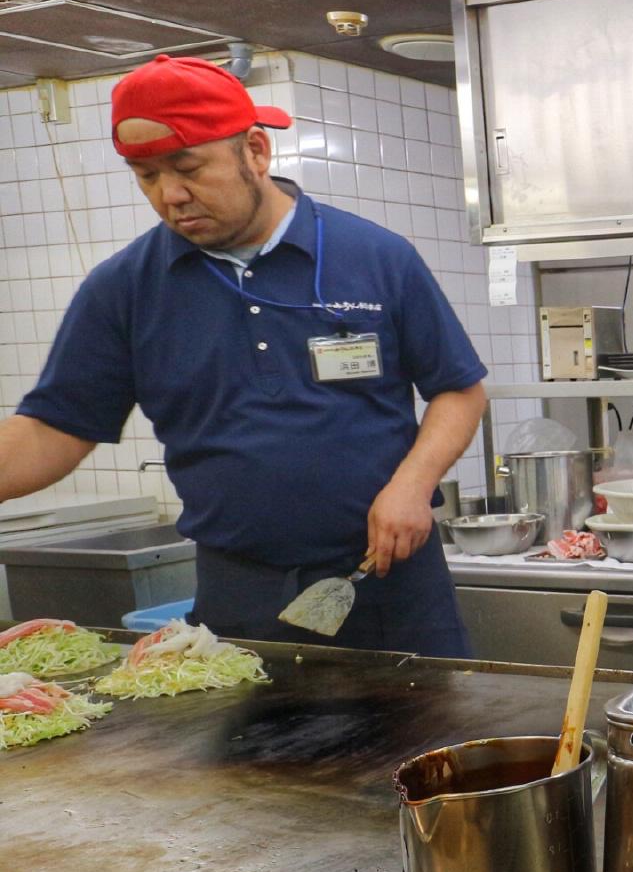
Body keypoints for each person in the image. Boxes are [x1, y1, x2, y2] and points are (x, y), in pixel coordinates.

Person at [0, 54, 487, 657]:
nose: (170, 195)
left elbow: (459, 388)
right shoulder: (124, 288)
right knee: (253, 755)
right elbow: (52, 430)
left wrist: (413, 485)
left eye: (188, 168)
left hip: (389, 585)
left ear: (256, 151)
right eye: (146, 176)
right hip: (239, 598)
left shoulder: (374, 256)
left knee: (427, 749)